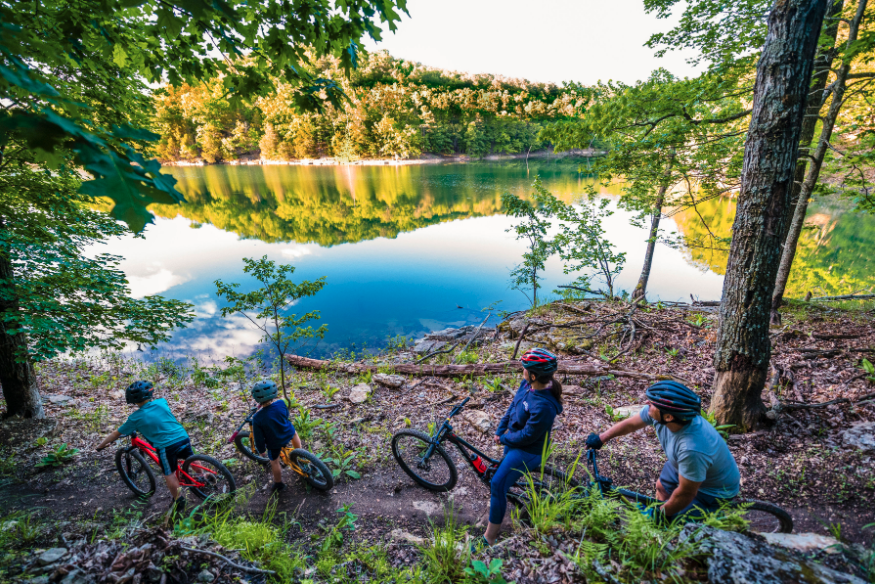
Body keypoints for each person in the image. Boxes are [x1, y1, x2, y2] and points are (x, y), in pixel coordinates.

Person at [586, 380, 740, 523]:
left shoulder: (691, 449)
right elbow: (631, 424)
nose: (647, 404)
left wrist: (661, 514)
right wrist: (601, 438)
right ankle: (663, 511)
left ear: (668, 416)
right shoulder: (664, 416)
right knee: (661, 486)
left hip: (713, 490)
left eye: (653, 404)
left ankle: (673, 526)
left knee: (675, 521)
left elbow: (686, 493)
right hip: (684, 465)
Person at [473, 347, 563, 552]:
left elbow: (527, 436)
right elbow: (512, 408)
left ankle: (489, 539)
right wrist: (500, 429)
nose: (521, 371)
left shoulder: (544, 406)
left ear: (533, 375)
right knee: (504, 479)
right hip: (514, 442)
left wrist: (504, 438)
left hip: (529, 451)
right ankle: (511, 497)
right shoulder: (527, 385)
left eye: (524, 369)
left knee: (496, 485)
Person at [97, 380, 192, 513]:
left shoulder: (134, 418)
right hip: (183, 437)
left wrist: (100, 446)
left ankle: (179, 500)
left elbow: (115, 434)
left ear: (132, 400)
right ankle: (202, 476)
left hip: (166, 446)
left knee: (168, 473)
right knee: (190, 457)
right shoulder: (162, 402)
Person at [249, 380, 302, 494]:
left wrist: (262, 451)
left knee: (274, 462)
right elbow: (286, 415)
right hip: (287, 432)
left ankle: (278, 483)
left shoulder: (257, 418)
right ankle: (299, 453)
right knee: (294, 433)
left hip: (274, 443)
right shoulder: (281, 403)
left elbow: (258, 438)